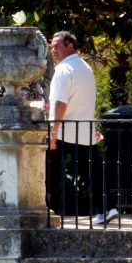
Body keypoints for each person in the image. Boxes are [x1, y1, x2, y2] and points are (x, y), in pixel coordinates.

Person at [47, 31, 114, 223]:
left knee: (49, 173)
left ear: (70, 46)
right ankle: (107, 208)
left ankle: (45, 212)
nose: (54, 51)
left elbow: (60, 104)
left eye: (57, 46)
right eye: (52, 47)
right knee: (92, 172)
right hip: (85, 131)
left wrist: (53, 132)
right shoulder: (85, 67)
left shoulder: (63, 70)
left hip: (63, 132)